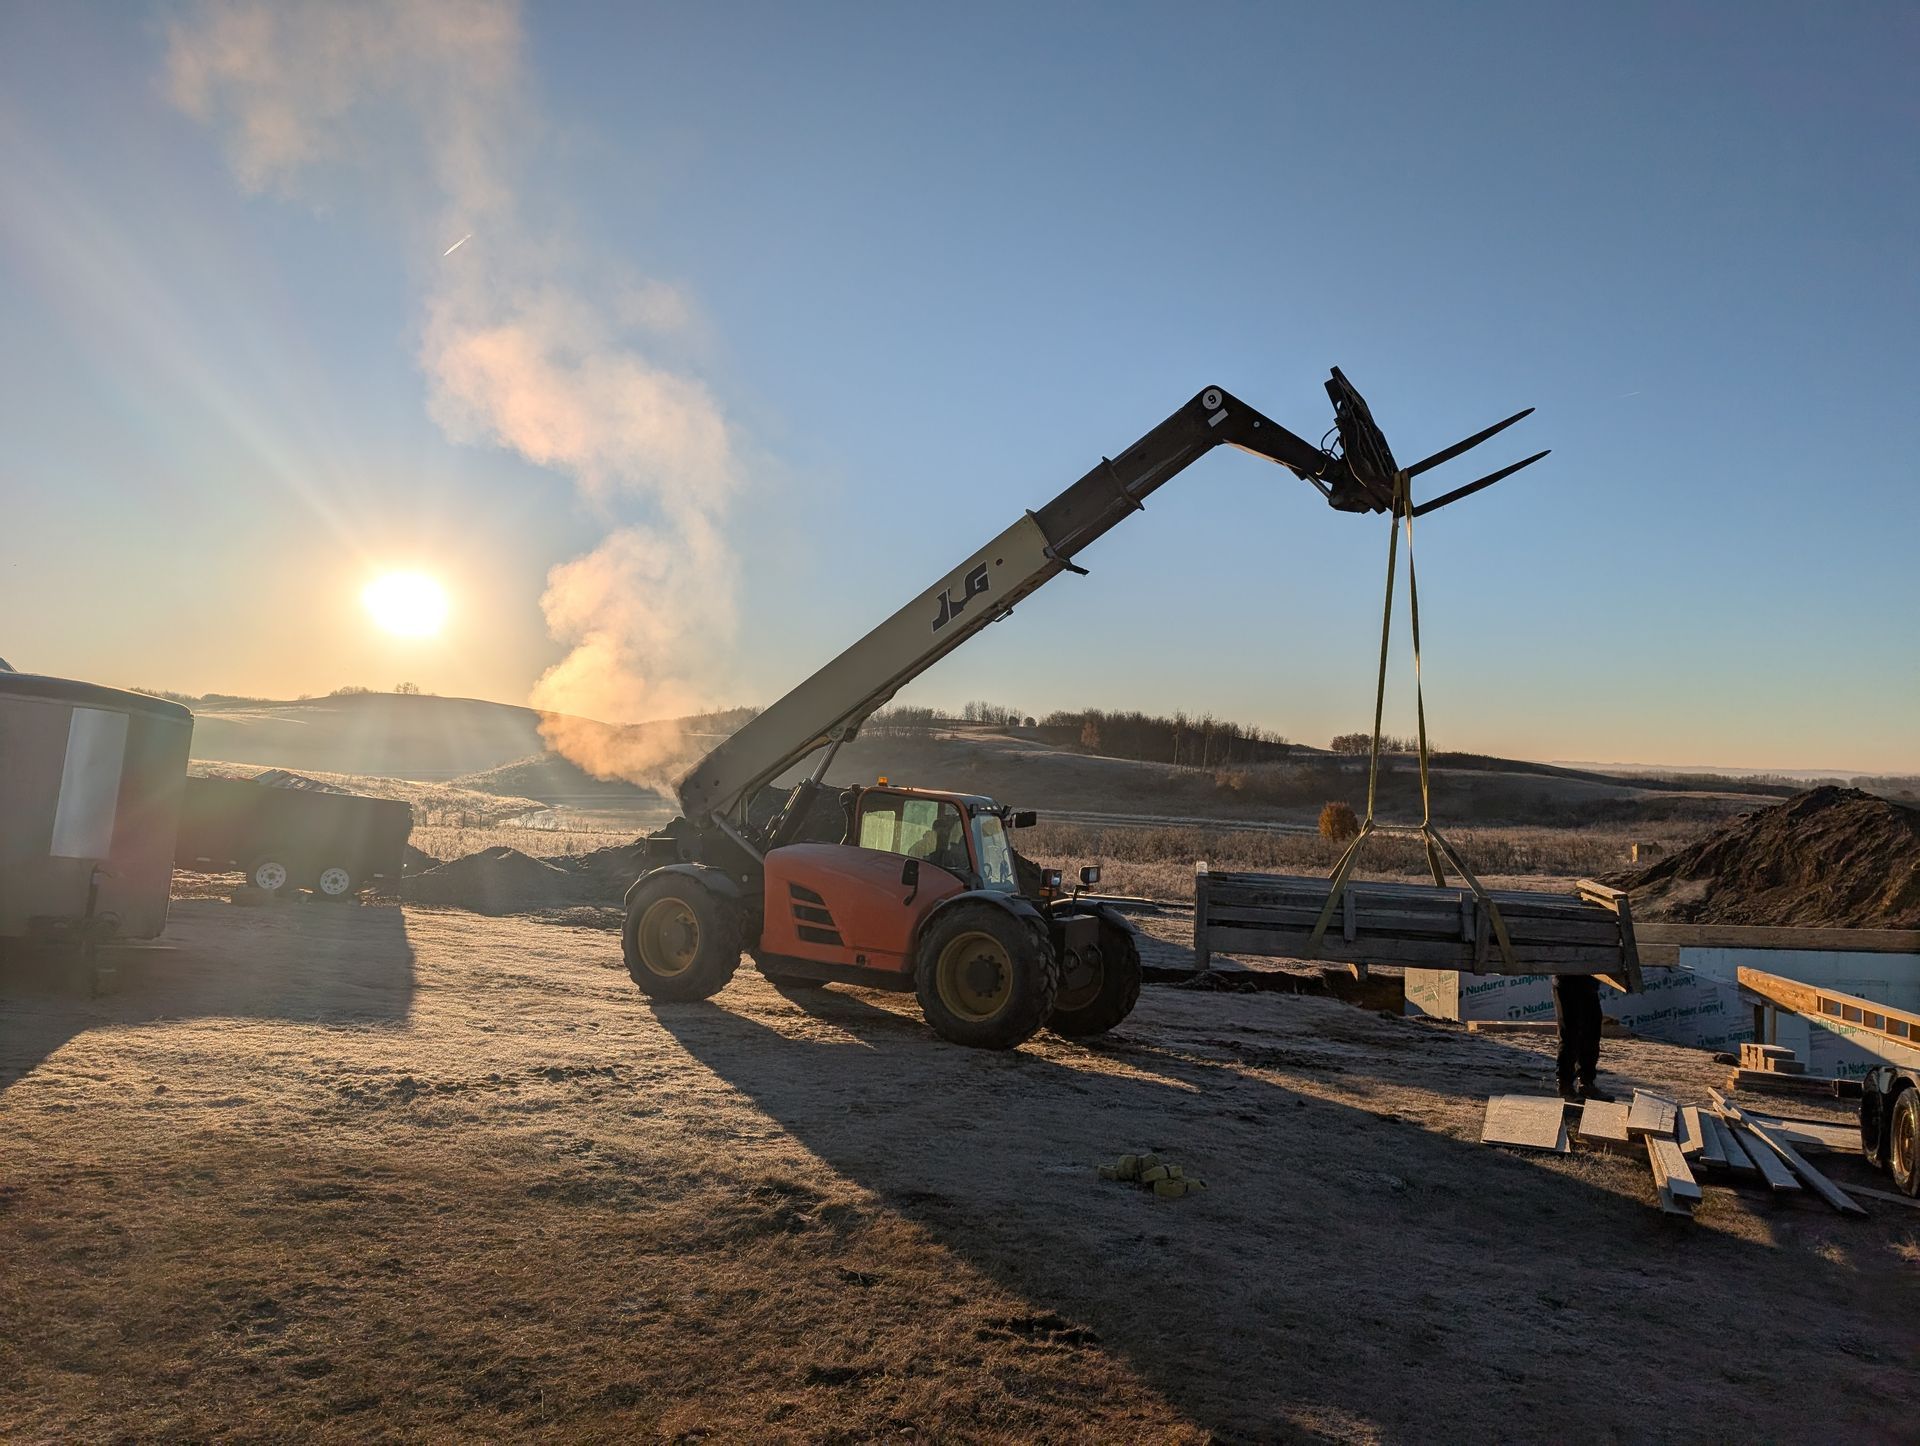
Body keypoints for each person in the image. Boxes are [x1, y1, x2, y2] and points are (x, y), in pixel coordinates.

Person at [1553, 974, 1613, 1102]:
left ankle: (1586, 1084)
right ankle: (1565, 1086)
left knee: (1592, 1033)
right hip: (1566, 982)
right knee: (1569, 1035)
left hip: (1588, 983)